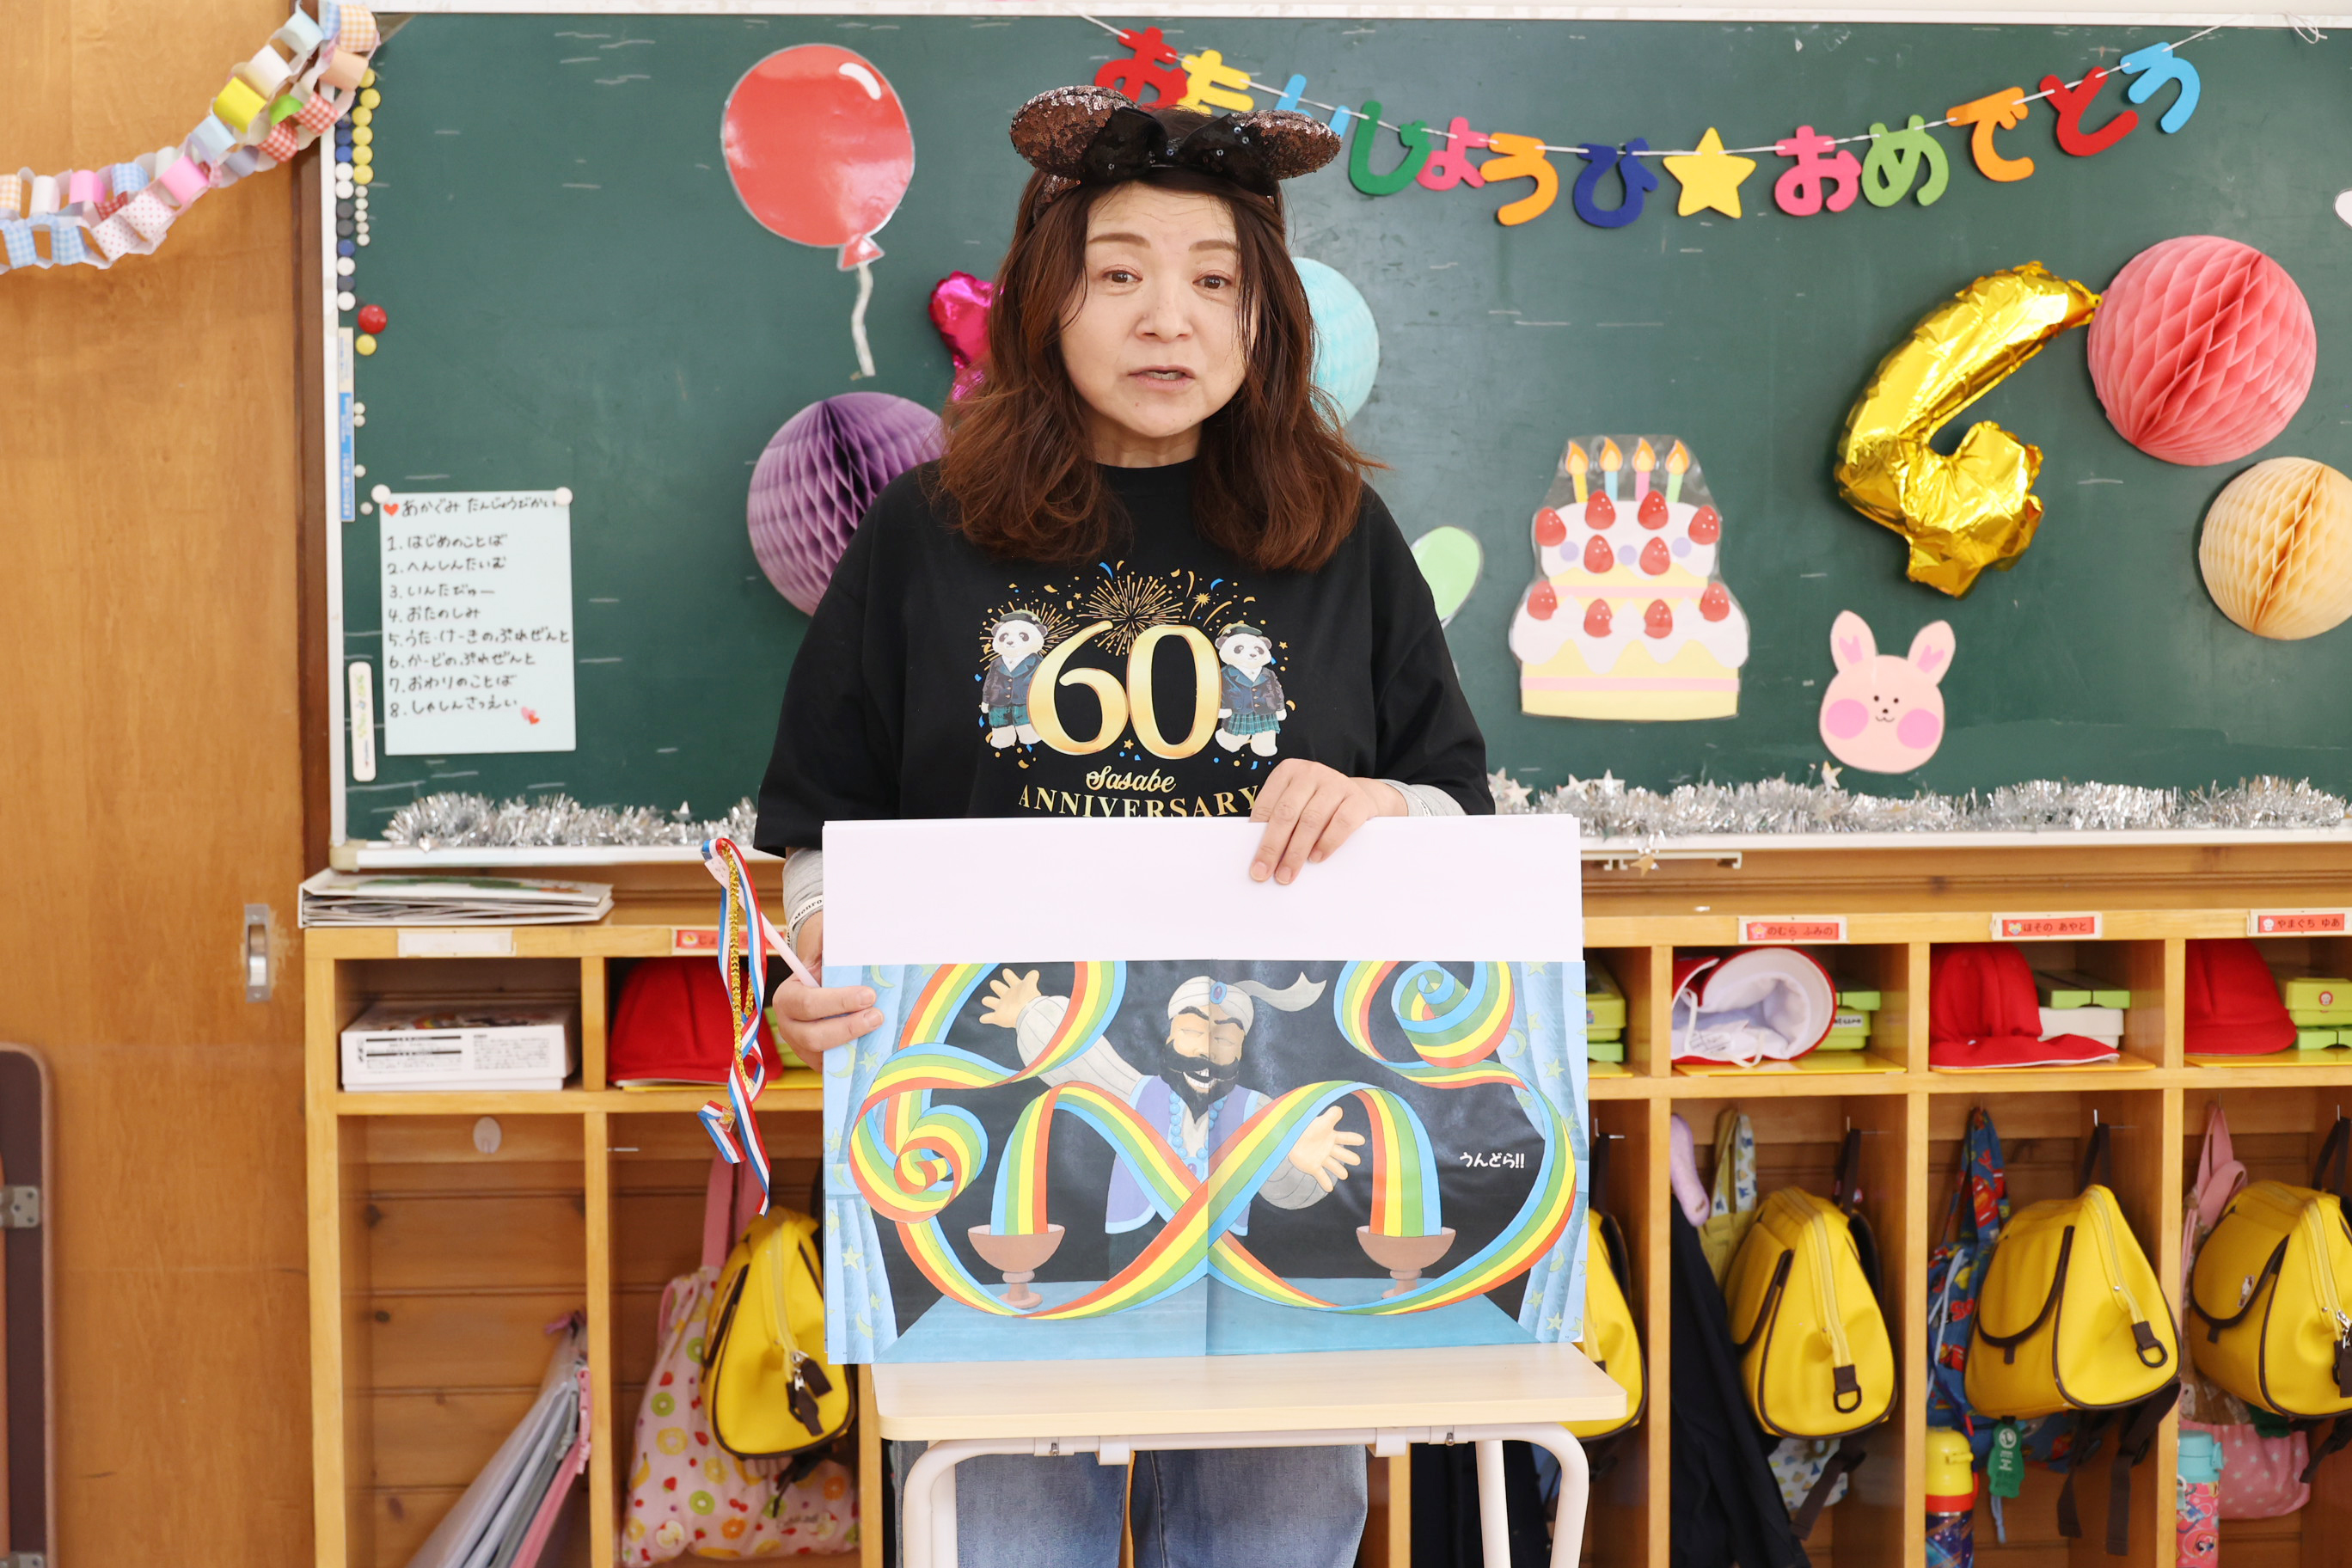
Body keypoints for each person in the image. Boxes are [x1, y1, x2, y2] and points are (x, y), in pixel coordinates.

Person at [754, 83, 1491, 1568]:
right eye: (1119, 273)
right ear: (1048, 301)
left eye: (1215, 281)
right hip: (1001, 1158)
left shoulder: (1339, 533)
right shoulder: (923, 532)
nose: (1170, 319)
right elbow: (826, 828)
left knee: (1277, 1539)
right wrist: (824, 959)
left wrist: (1380, 807)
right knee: (1010, 1542)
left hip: (1293, 1154)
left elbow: (1458, 815)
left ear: (1264, 316)